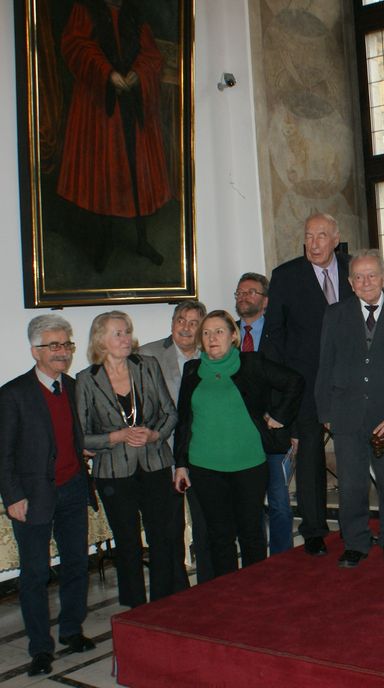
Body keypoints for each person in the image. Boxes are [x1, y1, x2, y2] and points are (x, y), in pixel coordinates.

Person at [173, 310, 304, 578]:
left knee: (251, 533)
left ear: (233, 336)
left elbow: (295, 382)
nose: (212, 338)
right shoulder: (192, 370)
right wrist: (181, 464)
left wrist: (280, 417)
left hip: (249, 464)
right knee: (219, 536)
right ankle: (228, 591)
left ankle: (253, 588)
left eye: (219, 331)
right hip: (205, 466)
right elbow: (184, 422)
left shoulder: (252, 364)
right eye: (206, 333)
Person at [0, 315, 97, 677]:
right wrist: (12, 496)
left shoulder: (72, 387)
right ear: (35, 351)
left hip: (72, 487)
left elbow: (72, 434)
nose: (62, 352)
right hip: (32, 496)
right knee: (36, 574)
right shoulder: (13, 394)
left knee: (76, 564)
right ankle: (40, 648)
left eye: (66, 344)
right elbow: (3, 453)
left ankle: (72, 630)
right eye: (53, 345)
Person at [315, 250, 384, 568]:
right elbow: (325, 363)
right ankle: (356, 541)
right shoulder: (335, 314)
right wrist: (326, 412)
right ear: (350, 282)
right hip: (346, 414)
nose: (366, 282)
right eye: (358, 277)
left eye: (372, 275)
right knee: (351, 484)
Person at [56, 0, 171, 272]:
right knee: (103, 174)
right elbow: (75, 46)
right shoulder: (85, 10)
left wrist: (137, 74)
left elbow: (152, 56)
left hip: (134, 108)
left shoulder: (133, 15)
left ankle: (142, 240)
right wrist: (107, 74)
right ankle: (105, 243)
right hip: (100, 111)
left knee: (138, 174)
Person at [75, 311, 178, 608]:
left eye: (127, 332)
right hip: (113, 472)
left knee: (162, 536)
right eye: (118, 333)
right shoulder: (86, 380)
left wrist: (154, 435)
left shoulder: (147, 365)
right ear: (101, 340)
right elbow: (80, 436)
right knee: (127, 540)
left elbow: (170, 413)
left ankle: (164, 602)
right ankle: (135, 606)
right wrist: (115, 437)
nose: (126, 339)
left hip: (154, 462)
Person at [266, 212, 353, 557]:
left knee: (354, 452)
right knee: (310, 457)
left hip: (350, 380)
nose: (314, 244)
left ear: (335, 239)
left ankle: (355, 523)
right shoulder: (286, 276)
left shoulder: (353, 268)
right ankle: (314, 530)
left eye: (321, 236)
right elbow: (274, 336)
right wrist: (282, 389)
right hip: (305, 382)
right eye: (308, 236)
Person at [139, 299, 212, 585]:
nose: (186, 327)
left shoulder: (212, 355)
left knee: (206, 523)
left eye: (194, 323)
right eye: (181, 320)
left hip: (204, 452)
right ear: (172, 323)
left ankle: (210, 582)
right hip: (164, 452)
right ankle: (177, 587)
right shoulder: (148, 355)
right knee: (170, 526)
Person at [234, 272, 294, 555]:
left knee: (279, 501)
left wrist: (285, 421)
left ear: (266, 300)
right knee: (248, 502)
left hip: (272, 429)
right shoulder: (226, 335)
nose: (244, 297)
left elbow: (293, 381)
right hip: (240, 432)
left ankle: (282, 557)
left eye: (251, 292)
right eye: (240, 292)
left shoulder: (281, 334)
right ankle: (255, 557)